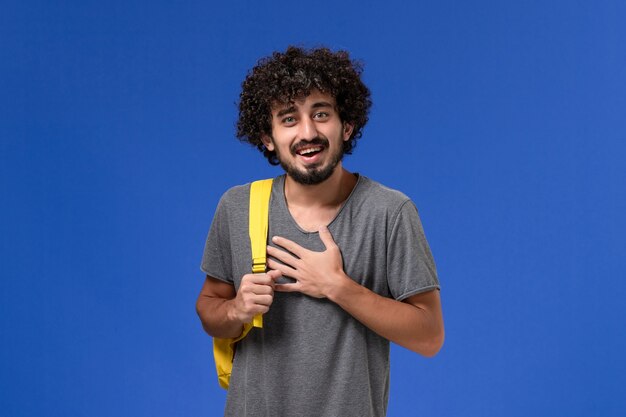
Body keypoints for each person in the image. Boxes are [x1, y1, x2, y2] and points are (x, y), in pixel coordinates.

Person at [196, 46, 444, 417]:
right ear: (268, 136)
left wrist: (337, 286)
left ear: (347, 126)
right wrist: (236, 309)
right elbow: (208, 309)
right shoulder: (238, 206)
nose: (307, 132)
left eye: (321, 114)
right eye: (289, 118)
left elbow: (429, 336)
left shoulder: (390, 212)